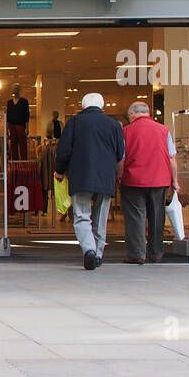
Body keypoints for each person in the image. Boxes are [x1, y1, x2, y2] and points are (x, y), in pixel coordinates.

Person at [54, 92, 125, 271]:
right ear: (102, 105)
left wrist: (59, 171)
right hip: (105, 176)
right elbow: (120, 153)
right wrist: (117, 174)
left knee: (81, 215)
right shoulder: (114, 125)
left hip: (81, 176)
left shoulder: (74, 123)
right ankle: (98, 253)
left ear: (83, 106)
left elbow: (64, 151)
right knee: (101, 217)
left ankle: (89, 251)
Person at [119, 101, 177, 264]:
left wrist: (119, 176)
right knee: (157, 216)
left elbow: (122, 158)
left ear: (132, 114)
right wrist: (175, 181)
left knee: (135, 218)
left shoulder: (126, 131)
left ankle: (137, 254)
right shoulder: (164, 130)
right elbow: (172, 158)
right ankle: (156, 253)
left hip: (133, 180)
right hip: (159, 180)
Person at [6, 84, 30, 160]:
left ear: (19, 90)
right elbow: (8, 116)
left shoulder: (24, 101)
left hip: (21, 125)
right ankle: (15, 162)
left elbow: (27, 115)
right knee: (13, 145)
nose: (14, 90)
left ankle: (24, 161)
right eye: (13, 88)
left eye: (16, 88)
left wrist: (27, 127)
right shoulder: (9, 102)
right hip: (11, 125)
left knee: (22, 144)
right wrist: (7, 129)